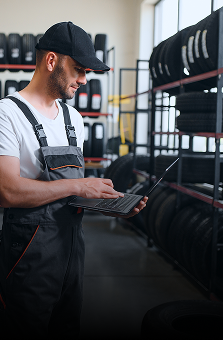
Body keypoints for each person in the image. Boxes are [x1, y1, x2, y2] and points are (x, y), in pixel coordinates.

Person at [0, 21, 147, 339]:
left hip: (72, 249)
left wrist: (111, 205)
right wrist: (80, 184)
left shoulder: (74, 119)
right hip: (28, 253)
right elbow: (7, 191)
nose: (84, 80)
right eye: (79, 69)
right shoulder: (7, 114)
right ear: (51, 61)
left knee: (67, 328)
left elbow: (68, 194)